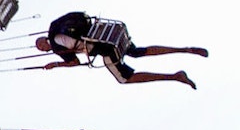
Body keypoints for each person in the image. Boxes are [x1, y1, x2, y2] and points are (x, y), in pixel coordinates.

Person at [35, 11, 206, 89]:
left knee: (125, 79)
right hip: (110, 32)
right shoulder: (60, 26)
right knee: (137, 52)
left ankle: (175, 76)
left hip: (105, 46)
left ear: (45, 41)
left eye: (42, 46)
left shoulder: (57, 44)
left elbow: (74, 62)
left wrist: (55, 64)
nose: (44, 48)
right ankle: (185, 49)